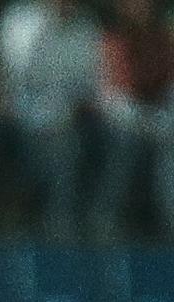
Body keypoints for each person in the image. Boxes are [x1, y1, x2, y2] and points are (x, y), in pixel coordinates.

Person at [0, 0, 103, 235]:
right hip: (23, 114)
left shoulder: (86, 27)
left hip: (73, 117)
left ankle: (66, 221)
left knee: (70, 140)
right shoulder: (21, 21)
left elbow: (91, 84)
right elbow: (14, 82)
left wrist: (72, 106)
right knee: (50, 142)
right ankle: (39, 219)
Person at [95, 0, 174, 237]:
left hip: (159, 121)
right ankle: (107, 228)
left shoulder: (164, 39)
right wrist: (143, 122)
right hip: (117, 122)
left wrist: (161, 122)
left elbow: (168, 88)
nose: (140, 7)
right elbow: (111, 96)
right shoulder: (111, 39)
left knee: (169, 153)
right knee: (125, 145)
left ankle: (169, 230)